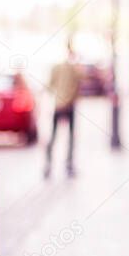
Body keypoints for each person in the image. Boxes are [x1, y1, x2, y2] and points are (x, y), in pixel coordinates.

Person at [44, 44, 82, 178]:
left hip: (59, 105)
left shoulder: (56, 68)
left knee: (54, 135)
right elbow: (78, 86)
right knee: (70, 137)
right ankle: (68, 164)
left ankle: (48, 164)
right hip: (69, 105)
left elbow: (49, 86)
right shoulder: (75, 69)